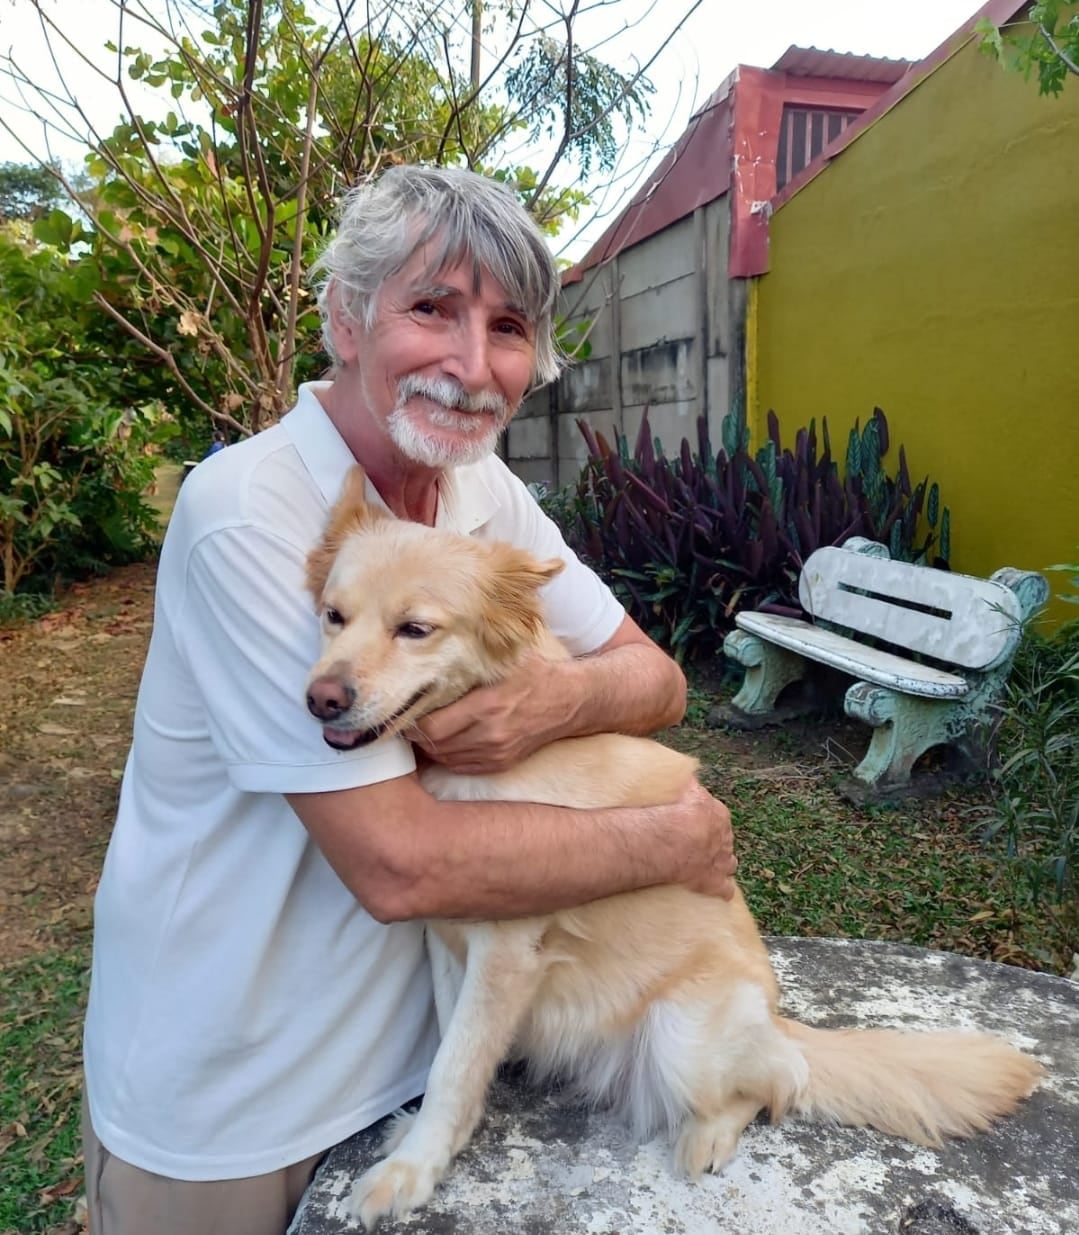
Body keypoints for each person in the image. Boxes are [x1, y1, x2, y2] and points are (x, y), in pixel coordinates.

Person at [81, 164, 738, 1235]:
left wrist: (547, 703)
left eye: (509, 327)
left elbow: (653, 677)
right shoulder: (251, 509)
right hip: (234, 1096)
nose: (471, 365)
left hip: (413, 1058)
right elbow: (401, 862)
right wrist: (674, 841)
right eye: (431, 307)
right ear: (345, 317)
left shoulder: (482, 493)